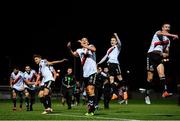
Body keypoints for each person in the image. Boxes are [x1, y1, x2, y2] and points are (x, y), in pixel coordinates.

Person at [140, 23, 179, 104]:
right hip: (151, 55)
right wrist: (173, 35)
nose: (167, 28)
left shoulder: (168, 41)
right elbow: (162, 33)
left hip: (159, 57)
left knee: (162, 75)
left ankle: (165, 92)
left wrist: (163, 54)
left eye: (169, 27)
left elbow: (167, 53)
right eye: (166, 27)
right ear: (162, 28)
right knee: (150, 78)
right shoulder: (158, 32)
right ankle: (146, 95)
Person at [67, 37, 97, 116]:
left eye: (85, 40)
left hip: (92, 72)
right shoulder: (79, 50)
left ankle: (91, 109)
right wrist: (69, 48)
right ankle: (93, 105)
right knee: (88, 91)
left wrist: (83, 45)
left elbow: (94, 49)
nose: (83, 41)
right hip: (85, 74)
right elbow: (74, 55)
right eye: (82, 40)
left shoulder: (90, 46)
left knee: (90, 89)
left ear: (88, 42)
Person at [97, 33, 127, 101]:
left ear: (116, 41)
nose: (112, 41)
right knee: (111, 80)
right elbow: (105, 57)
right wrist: (99, 62)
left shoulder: (117, 47)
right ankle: (115, 94)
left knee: (120, 78)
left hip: (115, 64)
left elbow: (120, 43)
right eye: (111, 40)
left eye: (113, 40)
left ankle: (125, 91)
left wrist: (116, 36)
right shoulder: (109, 49)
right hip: (109, 65)